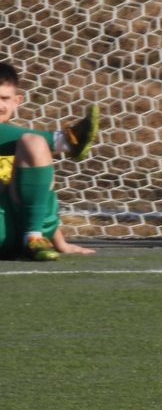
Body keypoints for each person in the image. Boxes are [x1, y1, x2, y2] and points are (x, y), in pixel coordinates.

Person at [0, 62, 98, 261]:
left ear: (17, 101)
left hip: (29, 229)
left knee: (34, 143)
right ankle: (63, 141)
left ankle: (34, 239)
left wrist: (61, 244)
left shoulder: (22, 146)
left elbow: (39, 197)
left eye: (4, 98)